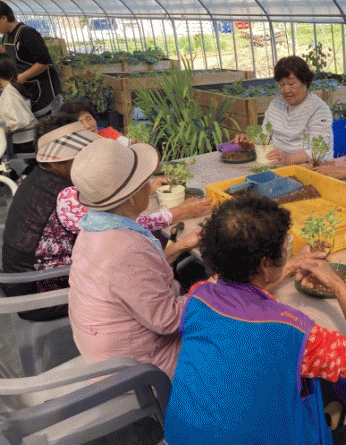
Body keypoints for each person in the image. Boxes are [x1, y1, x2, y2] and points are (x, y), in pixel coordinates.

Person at [164, 196, 346, 445]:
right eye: (284, 250)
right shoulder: (291, 332)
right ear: (264, 263)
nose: (286, 254)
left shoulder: (198, 296)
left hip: (183, 437)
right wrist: (337, 285)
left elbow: (244, 293)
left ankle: (327, 417)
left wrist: (290, 265)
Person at [67, 138, 202, 379]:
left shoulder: (92, 227)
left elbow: (136, 278)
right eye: (145, 182)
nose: (150, 186)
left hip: (105, 348)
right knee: (236, 332)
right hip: (140, 370)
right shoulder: (126, 249)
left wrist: (182, 245)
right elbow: (169, 320)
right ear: (131, 197)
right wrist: (216, 284)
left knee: (191, 268)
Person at [1, 116, 99, 321]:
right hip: (39, 294)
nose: (88, 160)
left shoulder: (40, 177)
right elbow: (107, 232)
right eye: (80, 155)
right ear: (57, 161)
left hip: (22, 281)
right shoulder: (64, 194)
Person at [233, 55, 333, 165]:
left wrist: (289, 158)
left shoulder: (318, 109)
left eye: (291, 83)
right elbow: (265, 138)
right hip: (278, 164)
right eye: (281, 84)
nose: (286, 90)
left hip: (311, 167)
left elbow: (318, 150)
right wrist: (249, 144)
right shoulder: (276, 105)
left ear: (305, 81)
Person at [0, 1, 62, 118]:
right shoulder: (7, 36)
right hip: (29, 92)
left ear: (4, 18)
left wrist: (23, 77)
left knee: (48, 123)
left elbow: (45, 62)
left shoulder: (27, 34)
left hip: (44, 94)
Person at [0, 53, 37, 154]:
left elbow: (18, 122)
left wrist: (3, 127)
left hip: (22, 142)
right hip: (28, 137)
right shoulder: (13, 87)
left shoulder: (9, 94)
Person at [60, 99, 131, 146]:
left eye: (89, 119)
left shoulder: (108, 133)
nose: (88, 126)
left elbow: (128, 144)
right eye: (80, 123)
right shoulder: (72, 147)